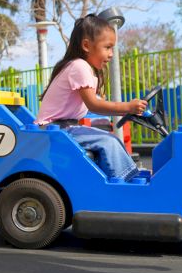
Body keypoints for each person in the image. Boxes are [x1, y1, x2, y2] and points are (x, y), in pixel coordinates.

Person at [35, 14, 147, 181]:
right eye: (107, 47)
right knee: (109, 142)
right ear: (87, 45)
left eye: (112, 48)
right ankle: (126, 183)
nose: (111, 54)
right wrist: (128, 107)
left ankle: (124, 179)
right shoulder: (79, 66)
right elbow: (94, 105)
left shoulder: (80, 67)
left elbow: (96, 102)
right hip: (56, 129)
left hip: (62, 128)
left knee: (112, 140)